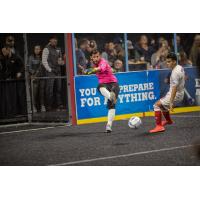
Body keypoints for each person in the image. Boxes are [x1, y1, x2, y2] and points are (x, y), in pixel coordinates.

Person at [80, 49, 120, 133]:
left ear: (100, 56)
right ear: (91, 57)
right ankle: (110, 97)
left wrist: (91, 70)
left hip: (113, 84)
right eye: (94, 57)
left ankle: (109, 125)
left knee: (111, 106)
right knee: (100, 86)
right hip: (104, 85)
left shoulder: (103, 62)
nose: (96, 58)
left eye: (98, 56)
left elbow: (100, 68)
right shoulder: (92, 63)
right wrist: (87, 70)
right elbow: (90, 69)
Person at [149, 53, 185, 133]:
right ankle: (169, 121)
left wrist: (171, 102)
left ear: (174, 62)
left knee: (156, 105)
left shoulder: (175, 73)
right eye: (167, 61)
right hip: (179, 92)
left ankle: (159, 126)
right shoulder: (180, 67)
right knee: (162, 105)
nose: (167, 63)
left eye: (169, 62)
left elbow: (174, 88)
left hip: (176, 94)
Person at [42, 35, 64, 111]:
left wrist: (61, 62)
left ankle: (59, 105)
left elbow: (60, 60)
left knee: (59, 88)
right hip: (50, 72)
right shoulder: (46, 49)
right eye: (53, 39)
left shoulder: (58, 49)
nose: (55, 41)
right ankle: (49, 106)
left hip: (58, 71)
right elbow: (44, 61)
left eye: (56, 39)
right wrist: (50, 70)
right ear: (50, 40)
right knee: (49, 90)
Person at [28, 45, 46, 113]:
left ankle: (42, 106)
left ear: (40, 50)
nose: (37, 50)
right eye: (35, 49)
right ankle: (33, 106)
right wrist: (34, 73)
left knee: (42, 93)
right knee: (34, 94)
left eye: (38, 49)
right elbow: (29, 68)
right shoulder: (31, 57)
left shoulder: (42, 57)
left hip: (42, 77)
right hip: (35, 78)